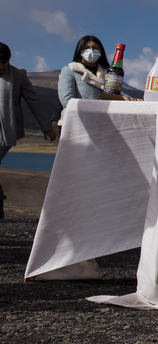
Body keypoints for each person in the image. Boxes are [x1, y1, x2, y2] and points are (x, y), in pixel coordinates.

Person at [1, 42, 59, 219]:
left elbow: (33, 102)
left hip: (5, 130)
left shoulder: (18, 75)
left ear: (8, 61)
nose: (0, 67)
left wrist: (46, 128)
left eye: (3, 63)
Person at [58, 35, 110, 106]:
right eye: (86, 48)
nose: (91, 51)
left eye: (95, 48)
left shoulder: (109, 75)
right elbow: (67, 100)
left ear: (100, 51)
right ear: (80, 51)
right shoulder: (70, 71)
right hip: (78, 112)